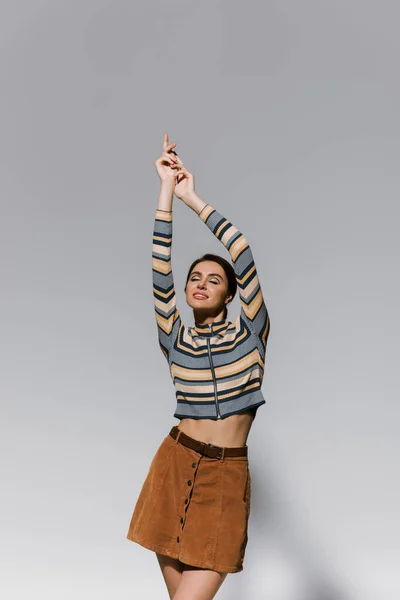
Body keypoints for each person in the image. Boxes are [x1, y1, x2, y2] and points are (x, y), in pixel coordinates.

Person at [126, 133, 270, 600]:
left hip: (226, 477)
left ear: (231, 294)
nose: (201, 284)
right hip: (174, 465)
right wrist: (164, 189)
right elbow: (159, 266)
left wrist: (190, 197)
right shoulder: (176, 337)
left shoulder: (251, 334)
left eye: (215, 279)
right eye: (195, 279)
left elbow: (242, 252)